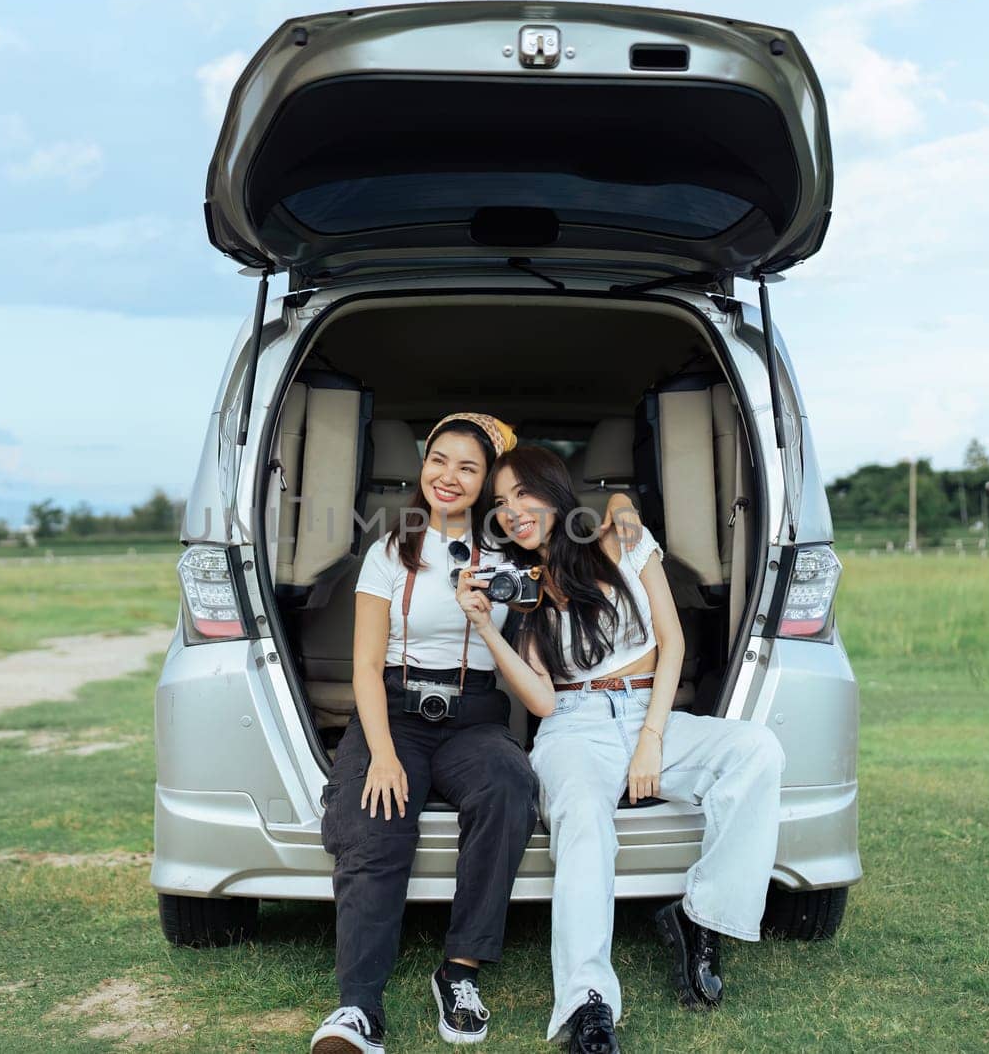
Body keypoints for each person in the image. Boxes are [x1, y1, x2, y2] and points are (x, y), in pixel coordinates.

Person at [456, 446, 785, 1053]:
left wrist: (651, 741)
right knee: (583, 817)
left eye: (522, 494)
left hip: (645, 712)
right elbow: (542, 703)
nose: (512, 512)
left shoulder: (622, 541)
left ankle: (699, 916)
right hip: (572, 728)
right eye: (500, 504)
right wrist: (484, 625)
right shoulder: (520, 589)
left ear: (554, 491)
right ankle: (588, 1004)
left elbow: (673, 642)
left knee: (757, 750)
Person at [311, 413, 540, 1054]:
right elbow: (363, 664)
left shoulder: (513, 557)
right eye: (439, 459)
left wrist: (510, 598)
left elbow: (555, 601)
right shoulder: (389, 550)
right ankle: (357, 1010)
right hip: (394, 710)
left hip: (474, 716)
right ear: (422, 465)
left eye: (468, 468)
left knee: (509, 785)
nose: (448, 476)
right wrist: (381, 754)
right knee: (374, 818)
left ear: (488, 481)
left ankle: (459, 973)